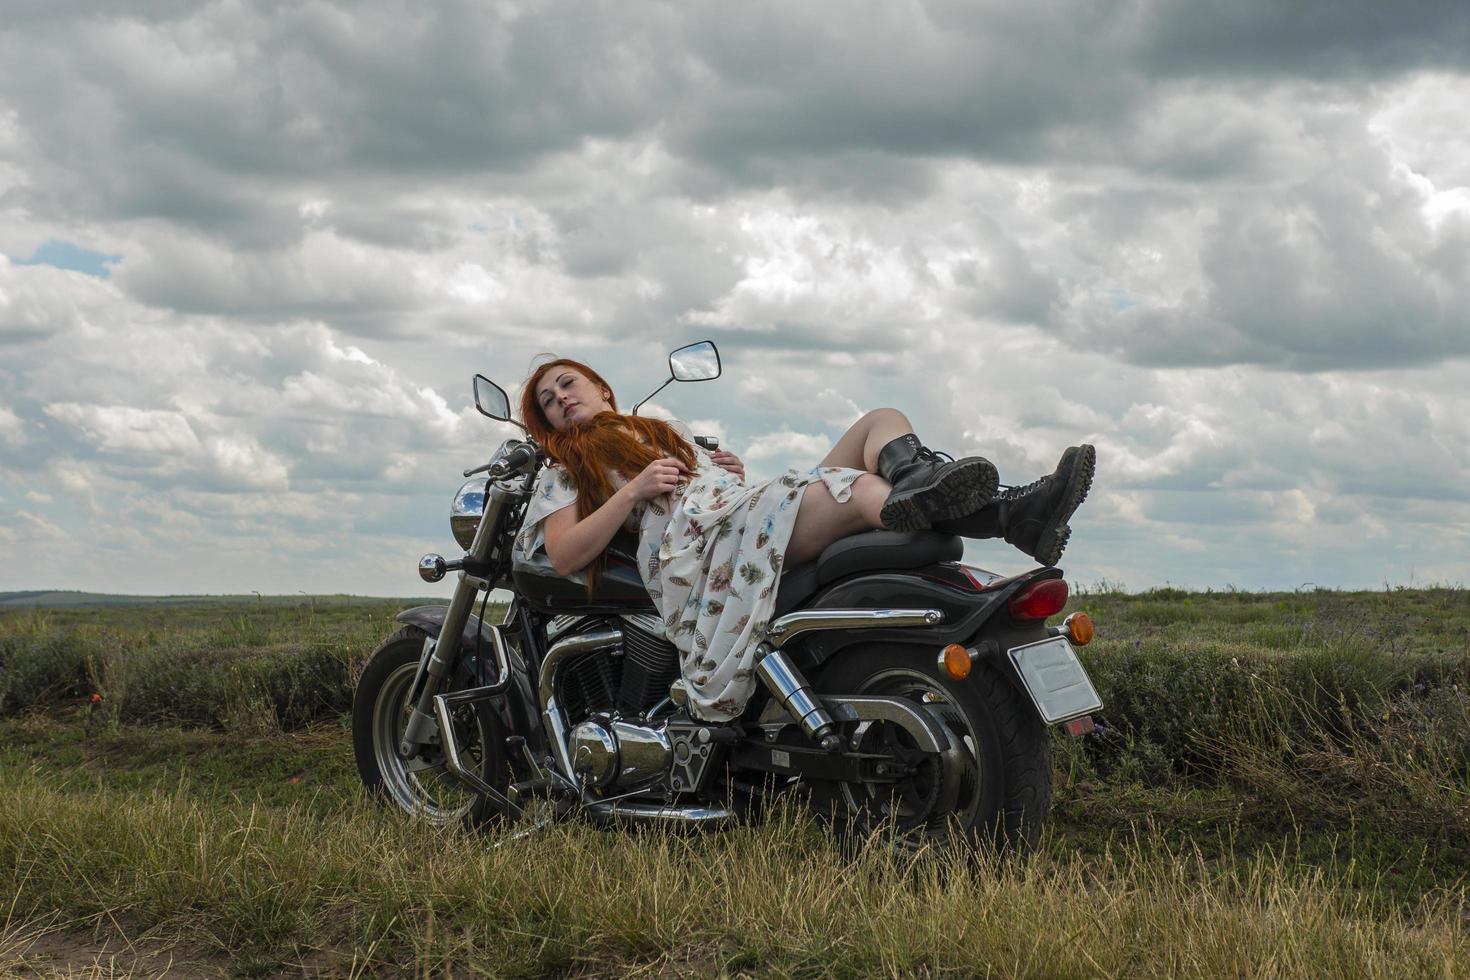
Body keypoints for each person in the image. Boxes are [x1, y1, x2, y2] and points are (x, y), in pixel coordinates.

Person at [511, 357, 1095, 723]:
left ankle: (938, 490)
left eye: (568, 383)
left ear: (601, 387)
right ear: (551, 426)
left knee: (879, 420)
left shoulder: (666, 431)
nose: (561, 397)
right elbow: (565, 553)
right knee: (861, 486)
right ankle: (1009, 515)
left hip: (737, 519)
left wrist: (717, 471)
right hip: (710, 543)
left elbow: (694, 486)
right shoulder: (566, 468)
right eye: (548, 402)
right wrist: (632, 491)